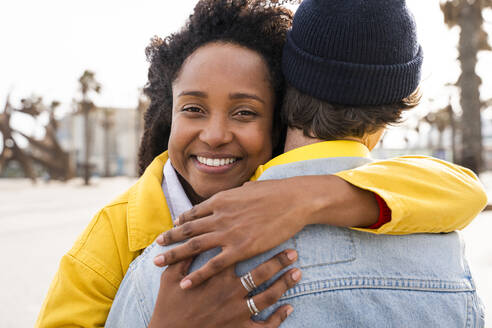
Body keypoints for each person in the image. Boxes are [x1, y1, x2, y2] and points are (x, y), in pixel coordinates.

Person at [37, 0, 486, 327]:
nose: (214, 134)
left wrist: (308, 197)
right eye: (193, 109)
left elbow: (464, 191)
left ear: (280, 110)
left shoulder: (283, 188)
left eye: (245, 112)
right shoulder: (118, 235)